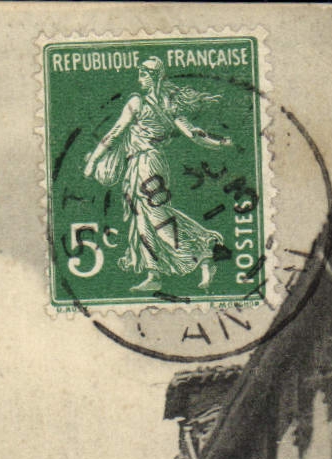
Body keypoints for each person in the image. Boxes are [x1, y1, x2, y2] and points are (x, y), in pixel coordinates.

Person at [82, 56, 233, 292]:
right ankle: (153, 273)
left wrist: (93, 160)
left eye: (143, 74)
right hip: (143, 163)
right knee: (142, 217)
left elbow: (114, 134)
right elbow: (194, 134)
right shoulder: (168, 104)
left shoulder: (137, 102)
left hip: (147, 164)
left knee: (156, 217)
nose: (139, 78)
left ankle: (205, 252)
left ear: (153, 77)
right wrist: (220, 142)